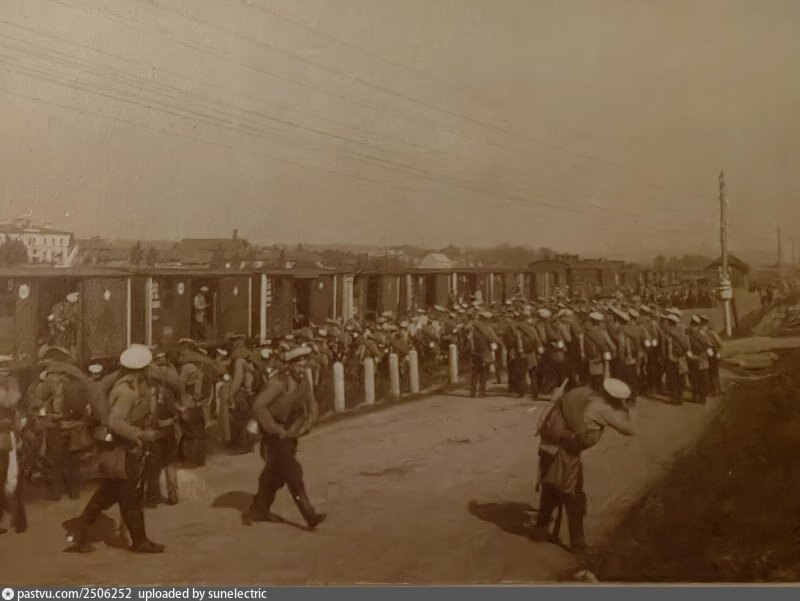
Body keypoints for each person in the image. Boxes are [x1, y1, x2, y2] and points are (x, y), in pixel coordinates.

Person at [65, 344, 164, 554]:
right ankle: (139, 542)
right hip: (121, 453)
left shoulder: (132, 385)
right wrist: (140, 434)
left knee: (105, 498)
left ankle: (78, 535)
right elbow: (115, 421)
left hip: (119, 453)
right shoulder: (127, 391)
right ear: (143, 368)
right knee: (130, 499)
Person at [532, 378, 636, 550]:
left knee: (550, 487)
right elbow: (630, 429)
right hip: (564, 452)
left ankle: (540, 530)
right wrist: (631, 407)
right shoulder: (602, 408)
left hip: (547, 446)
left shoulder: (581, 395)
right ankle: (577, 542)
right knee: (574, 495)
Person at [243, 346, 325, 530]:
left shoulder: (304, 381)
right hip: (274, 433)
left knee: (275, 474)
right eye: (298, 366)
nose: (301, 370)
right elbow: (258, 406)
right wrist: (276, 429)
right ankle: (309, 515)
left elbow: (311, 403)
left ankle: (259, 508)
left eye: (304, 366)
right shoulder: (278, 383)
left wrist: (307, 424)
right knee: (293, 471)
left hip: (290, 431)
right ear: (289, 366)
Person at [0, 356, 26, 535]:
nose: (5, 370)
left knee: (6, 477)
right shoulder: (7, 390)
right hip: (3, 437)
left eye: (6, 367)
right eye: (2, 367)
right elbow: (8, 402)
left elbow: (14, 413)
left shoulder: (7, 387)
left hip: (5, 439)